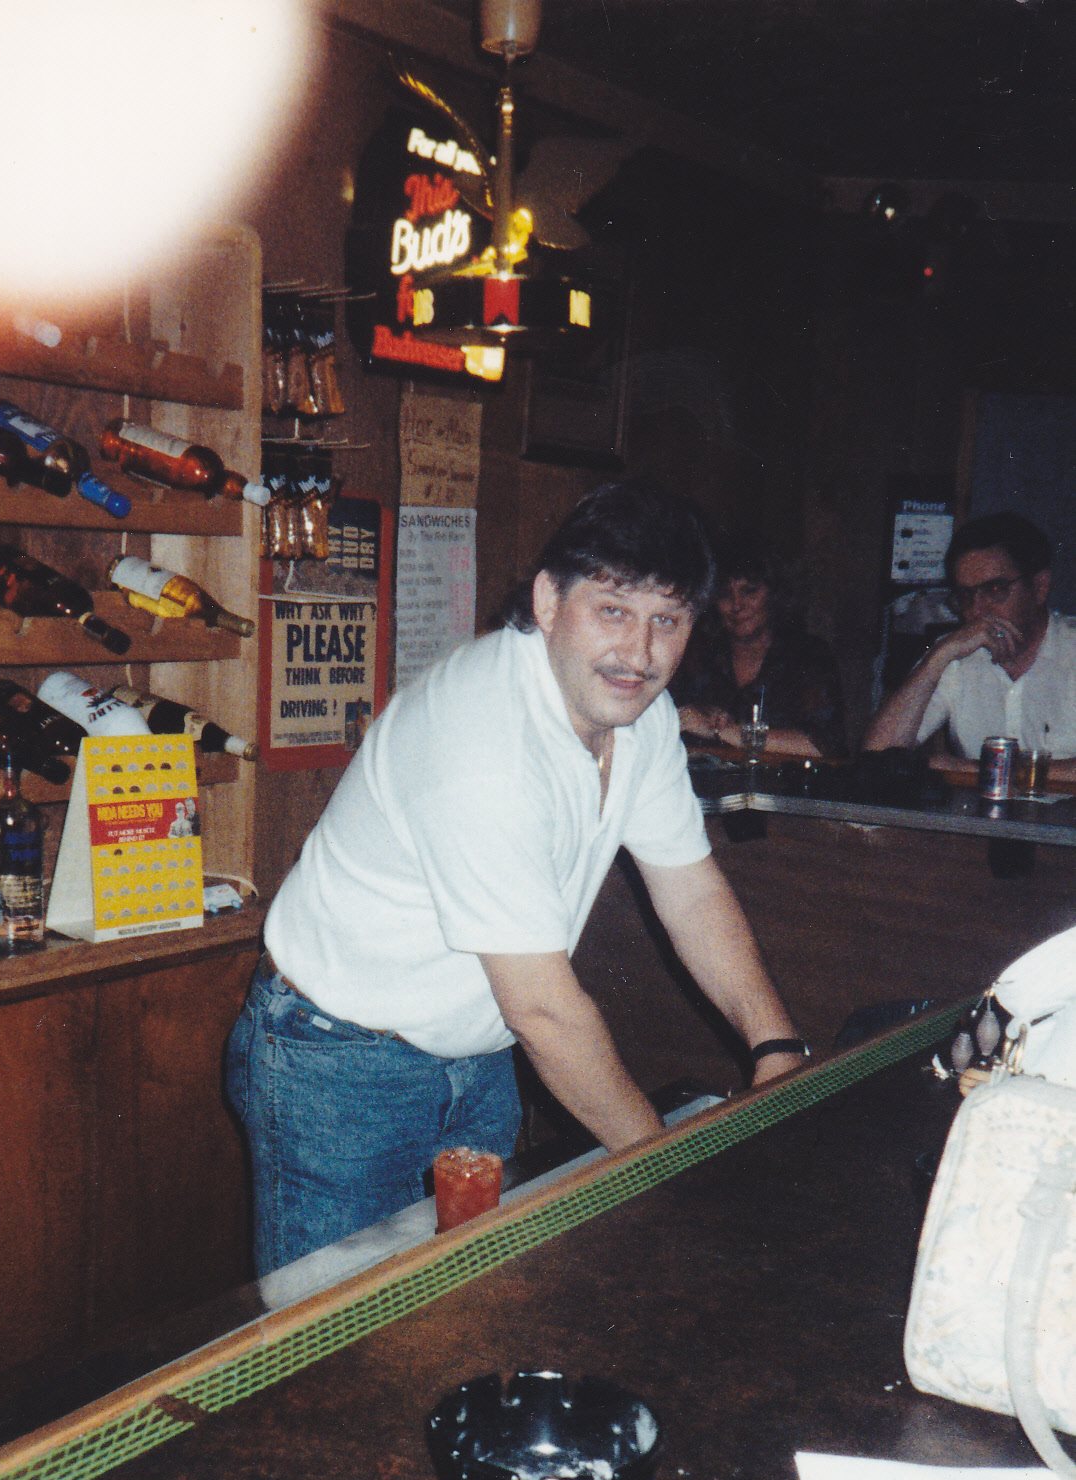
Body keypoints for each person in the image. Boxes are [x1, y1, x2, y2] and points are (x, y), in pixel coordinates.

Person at [226, 479, 810, 1275]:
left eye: (667, 621)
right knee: (333, 1325)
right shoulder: (484, 740)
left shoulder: (640, 717)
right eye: (613, 610)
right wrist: (665, 1169)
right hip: (338, 1063)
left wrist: (775, 1045)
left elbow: (692, 891)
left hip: (478, 1052)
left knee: (472, 1301)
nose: (640, 654)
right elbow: (543, 1010)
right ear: (547, 601)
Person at [863, 511, 1076, 778]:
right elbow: (876, 755)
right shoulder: (955, 654)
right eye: (965, 595)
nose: (977, 611)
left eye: (995, 590)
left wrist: (977, 771)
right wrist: (939, 656)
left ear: (1039, 587)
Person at [671, 531, 848, 759]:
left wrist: (723, 731)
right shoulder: (695, 654)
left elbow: (823, 744)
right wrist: (693, 714)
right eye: (725, 595)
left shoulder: (807, 655)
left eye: (749, 591)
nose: (737, 605)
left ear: (774, 594)